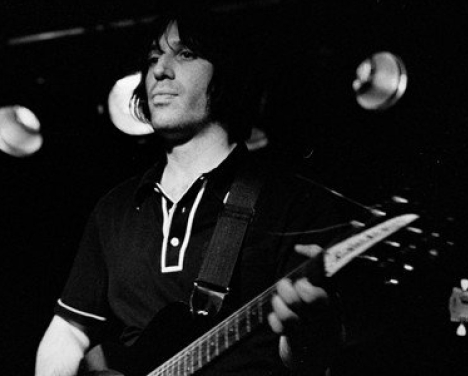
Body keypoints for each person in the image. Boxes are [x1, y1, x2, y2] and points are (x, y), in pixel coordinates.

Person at [36, 8, 346, 376]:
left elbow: (306, 363)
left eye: (185, 54)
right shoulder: (116, 209)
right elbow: (69, 330)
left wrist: (305, 332)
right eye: (153, 57)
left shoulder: (293, 203)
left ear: (227, 71)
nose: (159, 69)